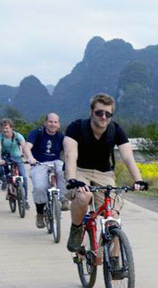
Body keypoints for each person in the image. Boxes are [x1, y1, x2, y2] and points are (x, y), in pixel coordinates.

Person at [63, 93, 148, 256]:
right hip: (80, 171)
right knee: (83, 196)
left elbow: (128, 157)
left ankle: (114, 262)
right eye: (99, 112)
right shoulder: (76, 127)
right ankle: (76, 228)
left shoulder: (115, 130)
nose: (104, 117)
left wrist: (139, 180)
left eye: (108, 114)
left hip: (104, 173)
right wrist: (72, 179)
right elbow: (70, 155)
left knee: (113, 217)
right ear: (91, 112)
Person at [24, 113, 67, 229]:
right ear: (45, 123)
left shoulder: (60, 136)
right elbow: (27, 147)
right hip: (39, 163)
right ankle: (40, 213)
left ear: (58, 124)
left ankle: (64, 199)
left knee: (64, 171)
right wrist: (30, 158)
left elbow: (68, 150)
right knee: (39, 187)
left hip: (56, 162)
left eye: (55, 122)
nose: (53, 124)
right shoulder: (38, 133)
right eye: (50, 122)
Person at [0, 118, 29, 201]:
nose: (5, 130)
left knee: (23, 177)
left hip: (16, 156)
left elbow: (25, 148)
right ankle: (4, 180)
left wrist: (29, 158)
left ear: (11, 128)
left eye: (7, 128)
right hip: (4, 156)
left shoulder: (18, 136)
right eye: (3, 128)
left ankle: (25, 199)